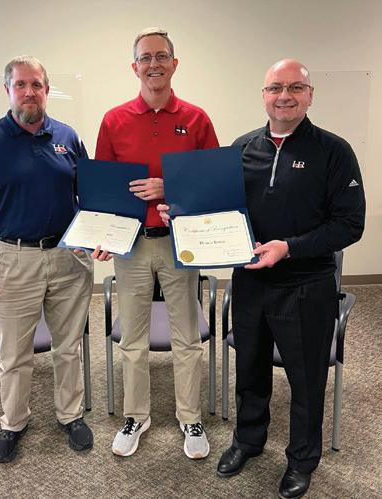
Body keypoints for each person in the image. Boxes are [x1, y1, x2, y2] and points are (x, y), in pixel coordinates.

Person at [160, 58, 365, 498]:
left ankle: (302, 460)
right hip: (251, 282)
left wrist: (288, 247)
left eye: (295, 88)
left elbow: (350, 225)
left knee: (306, 380)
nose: (284, 96)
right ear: (264, 95)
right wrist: (180, 213)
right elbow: (217, 208)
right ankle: (248, 441)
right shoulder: (242, 148)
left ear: (310, 96)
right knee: (250, 369)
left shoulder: (334, 151)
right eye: (275, 88)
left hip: (307, 285)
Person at [0, 56, 94, 463]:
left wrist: (96, 239)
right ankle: (13, 423)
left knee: (68, 346)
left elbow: (90, 196)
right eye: (20, 85)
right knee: (15, 354)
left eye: (36, 84)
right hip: (12, 260)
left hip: (68, 257)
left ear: (46, 89)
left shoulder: (67, 136)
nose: (29, 92)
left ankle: (71, 415)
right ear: (8, 90)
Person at [94, 27, 219, 459]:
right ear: (134, 67)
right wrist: (103, 237)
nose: (153, 64)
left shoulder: (197, 119)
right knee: (133, 339)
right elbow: (104, 190)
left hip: (179, 245)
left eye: (161, 56)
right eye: (145, 57)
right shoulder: (114, 120)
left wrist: (170, 188)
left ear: (174, 63)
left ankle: (190, 417)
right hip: (131, 246)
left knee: (187, 338)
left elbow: (212, 185)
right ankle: (136, 415)